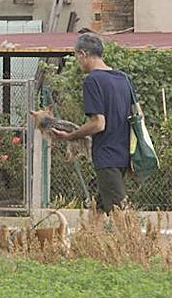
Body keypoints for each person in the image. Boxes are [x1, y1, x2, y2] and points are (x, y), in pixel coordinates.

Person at [50, 32, 132, 213]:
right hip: (125, 153)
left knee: (120, 214)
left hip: (107, 156)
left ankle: (131, 242)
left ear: (83, 54)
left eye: (76, 56)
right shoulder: (123, 79)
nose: (78, 61)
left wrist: (71, 136)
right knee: (97, 209)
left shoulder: (93, 80)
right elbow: (134, 113)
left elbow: (98, 123)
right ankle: (86, 241)